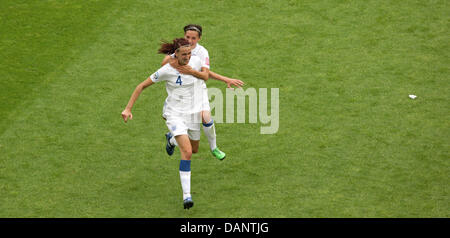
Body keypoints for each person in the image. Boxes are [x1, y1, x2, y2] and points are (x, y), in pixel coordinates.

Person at [121, 38, 208, 209]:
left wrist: (192, 71)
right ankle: (187, 196)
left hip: (193, 113)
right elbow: (141, 86)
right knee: (187, 152)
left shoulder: (195, 61)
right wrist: (128, 108)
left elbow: (205, 76)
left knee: (195, 149)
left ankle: (171, 140)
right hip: (175, 114)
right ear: (175, 53)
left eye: (189, 53)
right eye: (184, 54)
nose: (188, 57)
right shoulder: (167, 70)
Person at [162, 24, 244, 161]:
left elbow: (206, 73)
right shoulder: (179, 50)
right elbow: (164, 64)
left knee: (206, 116)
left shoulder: (202, 52)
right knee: (190, 143)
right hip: (182, 95)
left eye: (193, 38)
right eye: (187, 37)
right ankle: (172, 140)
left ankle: (214, 148)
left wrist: (225, 79)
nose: (190, 40)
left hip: (199, 91)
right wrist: (173, 57)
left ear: (199, 38)